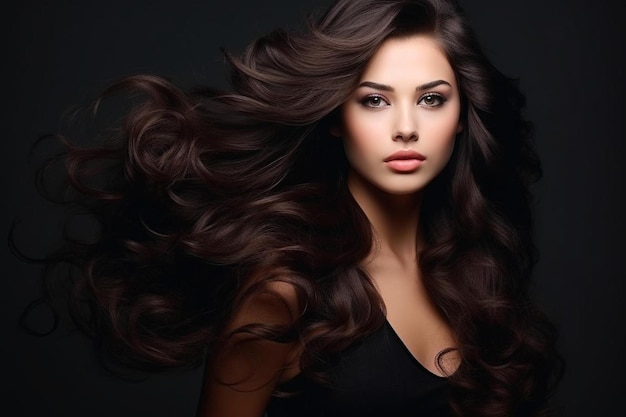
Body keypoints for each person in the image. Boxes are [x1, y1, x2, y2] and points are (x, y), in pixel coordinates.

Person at [19, 0, 564, 416]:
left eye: (431, 98)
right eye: (374, 100)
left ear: (464, 115)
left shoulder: (475, 273)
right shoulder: (284, 294)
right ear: (334, 115)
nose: (406, 126)